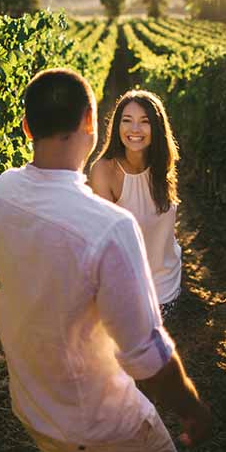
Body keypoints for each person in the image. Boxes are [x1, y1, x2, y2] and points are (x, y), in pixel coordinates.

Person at [0, 68, 210, 452]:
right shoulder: (107, 228)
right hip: (107, 427)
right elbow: (146, 355)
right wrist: (191, 407)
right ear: (91, 121)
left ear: (25, 127)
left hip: (38, 415)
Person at [89, 90, 182, 321]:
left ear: (157, 128)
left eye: (145, 122)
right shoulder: (104, 171)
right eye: (127, 121)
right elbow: (105, 243)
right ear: (116, 126)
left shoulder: (161, 167)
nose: (135, 130)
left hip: (165, 289)